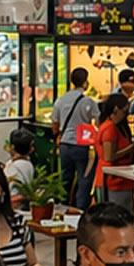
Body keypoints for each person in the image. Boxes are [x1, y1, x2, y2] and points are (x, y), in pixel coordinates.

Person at [53, 68, 99, 210]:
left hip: (65, 144)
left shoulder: (60, 100)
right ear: (85, 81)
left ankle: (62, 207)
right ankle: (80, 211)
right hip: (82, 144)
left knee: (65, 178)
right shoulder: (88, 101)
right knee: (84, 179)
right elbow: (98, 122)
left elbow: (55, 126)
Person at [92, 93, 134, 211]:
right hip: (113, 182)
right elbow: (109, 156)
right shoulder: (110, 128)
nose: (126, 115)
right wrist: (131, 148)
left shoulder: (115, 126)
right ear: (116, 109)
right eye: (124, 112)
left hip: (121, 179)